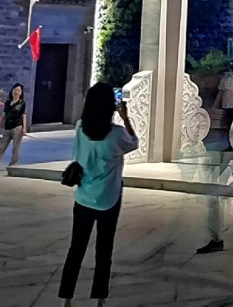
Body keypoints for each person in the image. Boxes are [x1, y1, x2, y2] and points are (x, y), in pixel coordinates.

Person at [58, 82, 138, 306]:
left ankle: (66, 298)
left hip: (83, 195)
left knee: (76, 248)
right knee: (104, 250)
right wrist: (126, 117)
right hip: (109, 197)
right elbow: (134, 143)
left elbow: (78, 154)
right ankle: (99, 299)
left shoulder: (80, 127)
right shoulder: (117, 135)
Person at [0, 83, 28, 171]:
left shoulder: (22, 103)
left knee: (16, 148)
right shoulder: (8, 102)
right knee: (1, 147)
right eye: (15, 90)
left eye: (18, 90)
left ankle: (13, 164)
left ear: (21, 93)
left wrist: (24, 128)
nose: (16, 92)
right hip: (7, 127)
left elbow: (23, 115)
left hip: (17, 127)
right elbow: (4, 115)